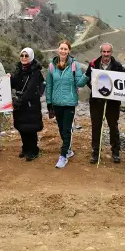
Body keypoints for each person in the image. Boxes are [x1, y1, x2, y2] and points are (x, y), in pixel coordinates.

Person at [45, 40, 88, 169]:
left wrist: (87, 75)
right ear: (58, 49)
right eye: (61, 48)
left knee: (67, 129)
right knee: (61, 129)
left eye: (65, 49)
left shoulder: (74, 65)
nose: (63, 51)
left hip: (70, 103)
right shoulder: (52, 66)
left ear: (69, 51)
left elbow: (80, 83)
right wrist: (48, 102)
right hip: (56, 103)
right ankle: (68, 150)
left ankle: (63, 156)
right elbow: (49, 86)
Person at [87, 43, 125, 164]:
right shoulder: (93, 64)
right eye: (104, 52)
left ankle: (115, 152)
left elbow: (123, 81)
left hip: (112, 103)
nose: (106, 54)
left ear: (111, 53)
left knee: (113, 126)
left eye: (108, 52)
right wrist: (94, 88)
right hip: (96, 102)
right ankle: (95, 152)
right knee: (96, 126)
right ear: (101, 52)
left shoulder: (117, 66)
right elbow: (88, 78)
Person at [11, 47, 45, 161]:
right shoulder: (19, 69)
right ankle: (25, 148)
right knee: (22, 127)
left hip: (30, 105)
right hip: (21, 104)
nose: (24, 58)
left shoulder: (35, 72)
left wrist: (19, 101)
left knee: (31, 129)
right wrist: (8, 79)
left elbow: (30, 90)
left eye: (26, 56)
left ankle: (33, 150)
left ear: (31, 57)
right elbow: (15, 83)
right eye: (22, 55)